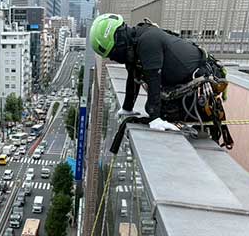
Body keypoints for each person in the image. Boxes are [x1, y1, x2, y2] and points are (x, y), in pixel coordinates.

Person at [89, 14, 233, 147]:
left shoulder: (148, 41)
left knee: (160, 110)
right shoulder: (134, 43)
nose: (114, 59)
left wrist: (154, 118)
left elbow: (153, 78)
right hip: (184, 83)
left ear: (118, 41)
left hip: (198, 83)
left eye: (113, 53)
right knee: (161, 109)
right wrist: (127, 108)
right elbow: (133, 76)